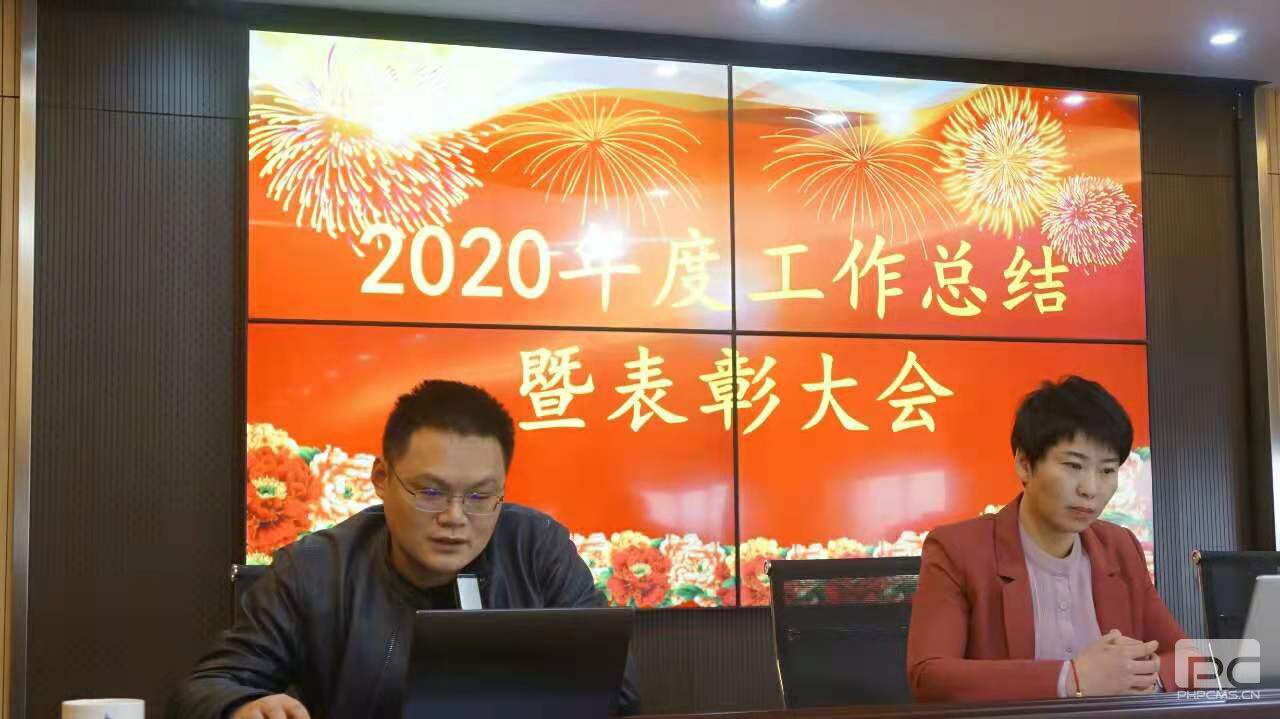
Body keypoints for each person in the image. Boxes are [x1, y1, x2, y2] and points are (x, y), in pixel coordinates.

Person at [171, 380, 639, 718]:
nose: (455, 517)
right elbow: (206, 686)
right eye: (430, 492)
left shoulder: (535, 548)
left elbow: (616, 691)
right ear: (381, 478)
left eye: (480, 496)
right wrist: (243, 706)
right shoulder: (317, 568)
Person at [907, 376, 1188, 702]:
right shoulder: (958, 550)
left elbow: (1191, 660)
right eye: (1073, 465)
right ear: (1025, 464)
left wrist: (1143, 679)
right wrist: (1071, 679)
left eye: (1107, 470)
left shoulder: (1120, 547)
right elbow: (930, 675)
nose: (1090, 489)